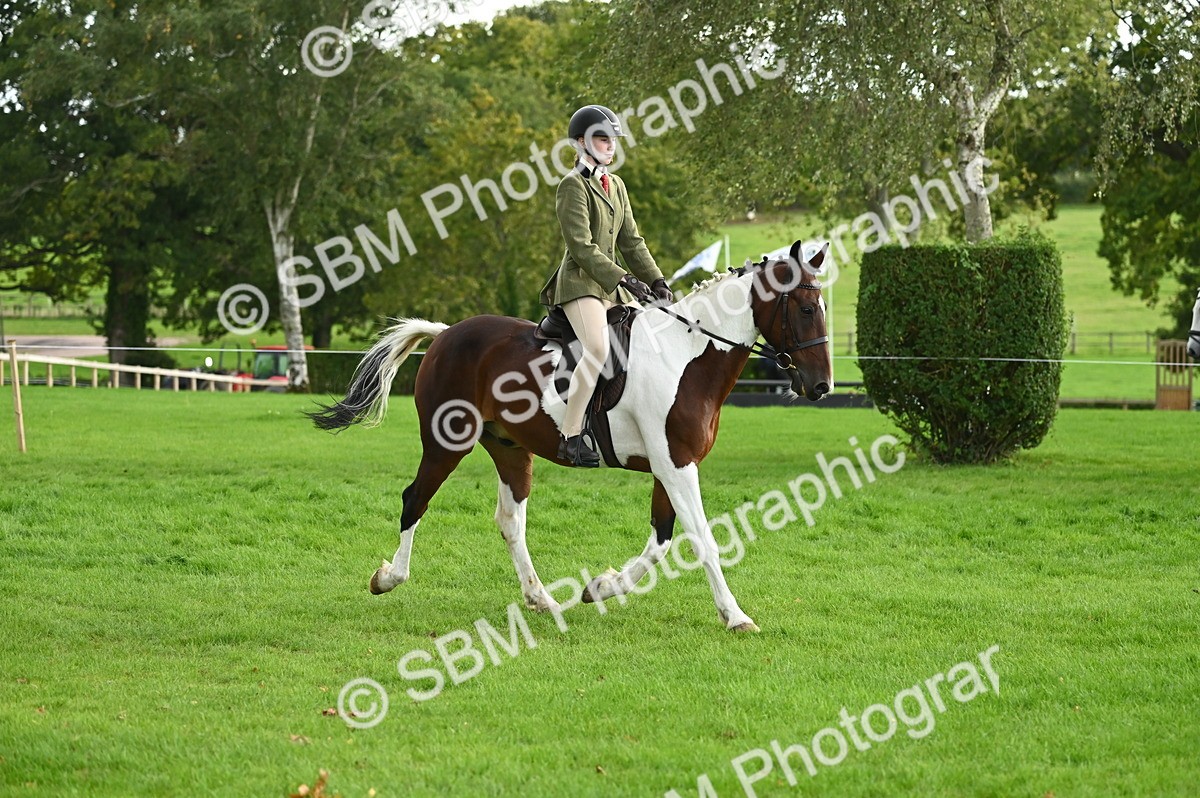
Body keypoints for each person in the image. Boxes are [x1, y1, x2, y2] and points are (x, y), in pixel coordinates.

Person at [539, 104, 673, 467]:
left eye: (613, 139)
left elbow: (632, 241)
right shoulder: (572, 185)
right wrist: (624, 278)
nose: (610, 145)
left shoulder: (617, 185)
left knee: (646, 337)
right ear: (581, 142)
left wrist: (657, 279)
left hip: (612, 289)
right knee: (598, 349)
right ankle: (570, 437)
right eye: (602, 138)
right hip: (580, 284)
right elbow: (581, 247)